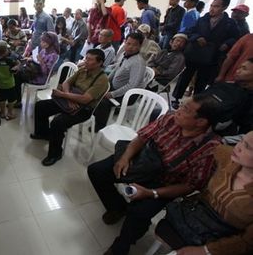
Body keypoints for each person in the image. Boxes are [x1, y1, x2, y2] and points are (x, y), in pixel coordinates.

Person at [88, 94, 222, 255]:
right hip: (144, 161)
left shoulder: (210, 149)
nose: (178, 110)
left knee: (139, 212)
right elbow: (143, 137)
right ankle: (117, 207)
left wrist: (152, 193)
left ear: (201, 122)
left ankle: (122, 244)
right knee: (97, 171)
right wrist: (125, 157)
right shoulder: (171, 118)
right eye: (181, 105)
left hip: (165, 183)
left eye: (185, 109)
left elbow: (190, 185)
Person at [155, 131, 253, 255]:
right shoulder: (229, 158)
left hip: (222, 241)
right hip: (192, 218)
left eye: (248, 147)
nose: (238, 147)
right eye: (241, 140)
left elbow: (247, 242)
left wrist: (205, 251)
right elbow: (214, 145)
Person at [30, 49, 109, 166]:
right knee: (41, 106)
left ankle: (55, 154)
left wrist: (63, 95)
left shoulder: (102, 80)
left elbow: (85, 99)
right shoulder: (82, 70)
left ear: (99, 63)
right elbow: (66, 83)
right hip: (70, 100)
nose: (86, 61)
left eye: (90, 59)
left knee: (58, 122)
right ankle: (43, 133)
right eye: (86, 58)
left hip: (83, 109)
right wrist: (68, 98)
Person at [172, 0, 240, 105]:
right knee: (185, 77)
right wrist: (197, 37)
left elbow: (235, 37)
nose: (212, 9)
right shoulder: (203, 19)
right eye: (211, 6)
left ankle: (196, 101)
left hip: (212, 56)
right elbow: (190, 32)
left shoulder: (229, 23)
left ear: (224, 7)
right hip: (195, 53)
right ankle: (176, 98)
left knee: (202, 81)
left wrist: (226, 44)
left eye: (216, 7)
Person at [94, 32, 147, 132]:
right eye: (128, 43)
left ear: (140, 46)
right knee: (95, 89)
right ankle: (93, 115)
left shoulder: (138, 62)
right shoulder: (125, 54)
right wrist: (106, 81)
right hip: (116, 87)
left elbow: (132, 85)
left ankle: (100, 128)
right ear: (125, 42)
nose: (130, 47)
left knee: (103, 101)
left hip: (129, 95)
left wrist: (113, 94)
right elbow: (116, 69)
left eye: (135, 45)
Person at [15, 32, 60, 105]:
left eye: (44, 42)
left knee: (17, 76)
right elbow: (36, 59)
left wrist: (41, 61)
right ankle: (17, 100)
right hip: (35, 72)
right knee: (17, 73)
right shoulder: (44, 50)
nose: (41, 43)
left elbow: (46, 72)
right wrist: (30, 59)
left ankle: (17, 100)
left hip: (40, 77)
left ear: (51, 43)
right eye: (41, 41)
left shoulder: (53, 55)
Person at [0, 41, 20, 120]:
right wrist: (17, 66)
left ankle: (2, 113)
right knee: (11, 99)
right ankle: (10, 113)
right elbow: (17, 65)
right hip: (10, 84)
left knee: (1, 99)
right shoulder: (9, 61)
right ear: (6, 50)